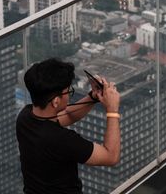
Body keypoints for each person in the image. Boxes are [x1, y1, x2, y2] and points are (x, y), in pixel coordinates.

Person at [17, 58, 121, 194]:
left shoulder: (25, 118)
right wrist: (112, 109)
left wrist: (93, 97)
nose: (69, 95)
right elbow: (111, 156)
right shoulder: (61, 140)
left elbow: (67, 115)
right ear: (56, 101)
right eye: (68, 91)